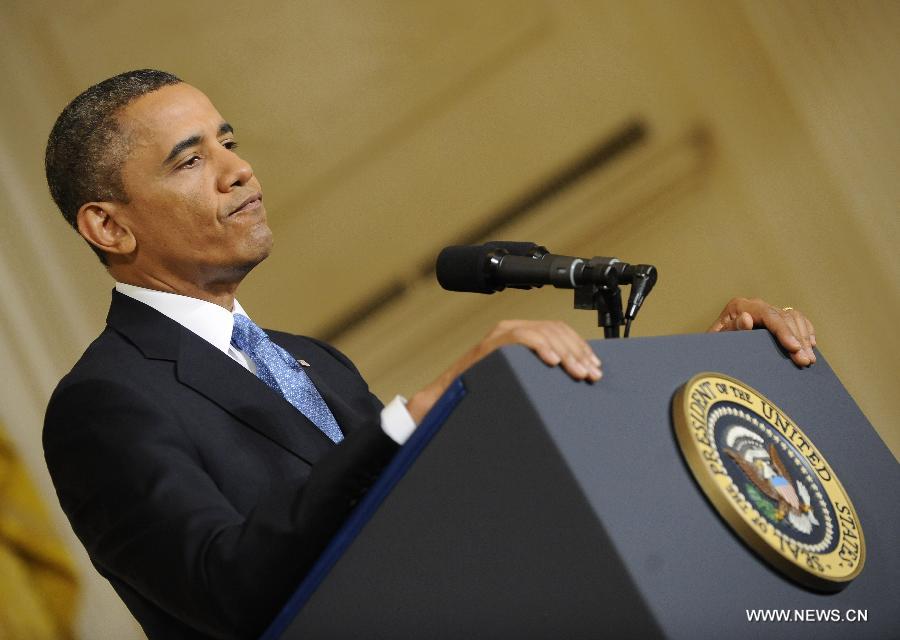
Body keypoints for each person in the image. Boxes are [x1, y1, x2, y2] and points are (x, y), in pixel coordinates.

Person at [42, 70, 817, 640]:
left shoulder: (312, 360)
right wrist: (422, 408)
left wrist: (697, 391)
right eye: (189, 160)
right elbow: (229, 589)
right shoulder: (103, 404)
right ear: (109, 227)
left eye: (230, 142)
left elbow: (462, 521)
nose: (238, 168)